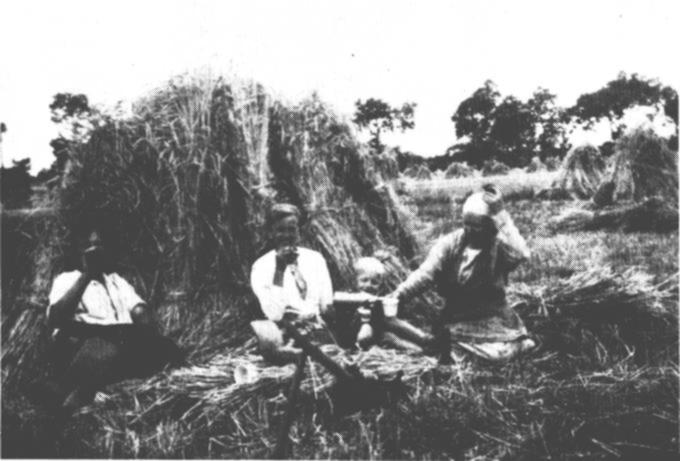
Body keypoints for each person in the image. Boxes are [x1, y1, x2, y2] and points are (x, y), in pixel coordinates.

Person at [42, 225, 183, 414]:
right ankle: (70, 389)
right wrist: (87, 274)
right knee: (105, 344)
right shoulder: (67, 279)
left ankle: (80, 389)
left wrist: (146, 327)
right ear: (78, 250)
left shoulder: (115, 280)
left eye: (98, 245)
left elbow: (140, 310)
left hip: (122, 341)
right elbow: (56, 319)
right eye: (87, 245)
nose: (93, 250)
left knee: (167, 348)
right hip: (84, 343)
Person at [389, 185, 536, 362]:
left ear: (491, 226)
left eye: (477, 226)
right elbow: (425, 274)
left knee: (498, 354)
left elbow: (522, 254)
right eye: (466, 223)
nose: (470, 230)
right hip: (457, 319)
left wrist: (500, 214)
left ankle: (516, 345)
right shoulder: (451, 243)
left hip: (493, 318)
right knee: (453, 345)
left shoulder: (499, 246)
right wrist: (399, 294)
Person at [250, 203, 334, 363]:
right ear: (271, 233)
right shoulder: (261, 266)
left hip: (318, 331)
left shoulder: (315, 259)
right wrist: (279, 271)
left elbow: (326, 306)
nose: (287, 235)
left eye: (292, 229)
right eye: (280, 230)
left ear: (298, 231)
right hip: (286, 336)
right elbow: (274, 314)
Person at [336, 256, 432, 352]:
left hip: (378, 334)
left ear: (380, 284)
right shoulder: (349, 295)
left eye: (374, 282)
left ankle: (422, 348)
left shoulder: (377, 298)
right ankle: (424, 340)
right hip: (358, 335)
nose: (369, 285)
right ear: (355, 281)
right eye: (364, 280)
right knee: (385, 323)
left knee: (391, 336)